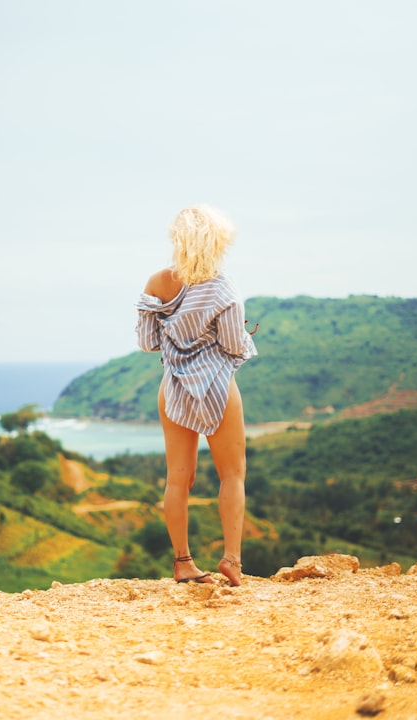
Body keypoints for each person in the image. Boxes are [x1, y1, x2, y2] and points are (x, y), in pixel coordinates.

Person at [135, 205, 257, 586]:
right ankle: (232, 561)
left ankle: (183, 563)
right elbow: (235, 346)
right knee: (232, 473)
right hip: (218, 387)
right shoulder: (223, 287)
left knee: (177, 479)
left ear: (179, 240)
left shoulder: (157, 282)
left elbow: (146, 342)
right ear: (217, 242)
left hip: (172, 386)